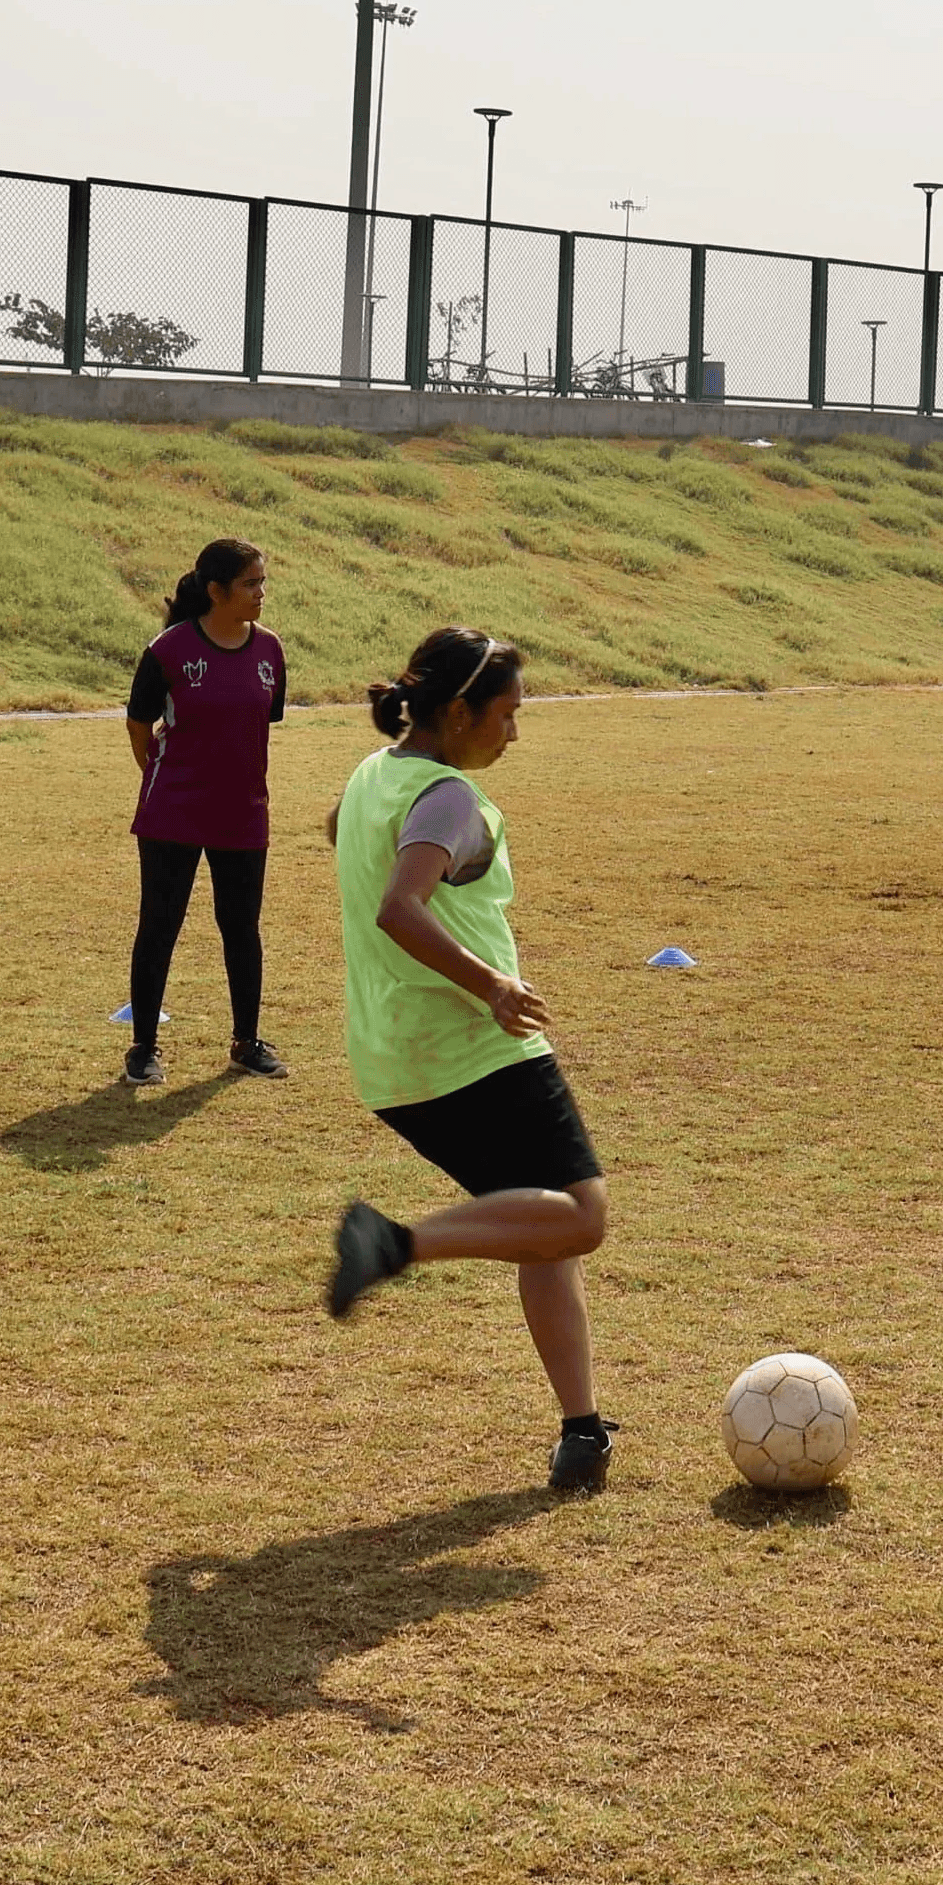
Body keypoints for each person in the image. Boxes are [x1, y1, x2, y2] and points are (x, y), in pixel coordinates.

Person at [325, 625, 614, 1496]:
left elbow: (345, 837)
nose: (514, 734)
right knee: (578, 1217)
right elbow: (400, 908)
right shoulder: (448, 797)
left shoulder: (374, 774)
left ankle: (581, 1428)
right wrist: (492, 983)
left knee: (536, 1229)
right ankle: (396, 1243)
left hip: (394, 1061)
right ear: (456, 712)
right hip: (475, 1050)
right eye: (506, 714)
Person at [123, 538, 289, 1085]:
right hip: (172, 811)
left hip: (243, 813)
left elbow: (254, 728)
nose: (262, 592)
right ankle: (143, 1047)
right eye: (251, 583)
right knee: (160, 925)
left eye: (263, 581)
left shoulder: (270, 651)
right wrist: (166, 779)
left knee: (241, 927)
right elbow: (139, 725)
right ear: (216, 591)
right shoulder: (168, 651)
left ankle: (246, 1042)